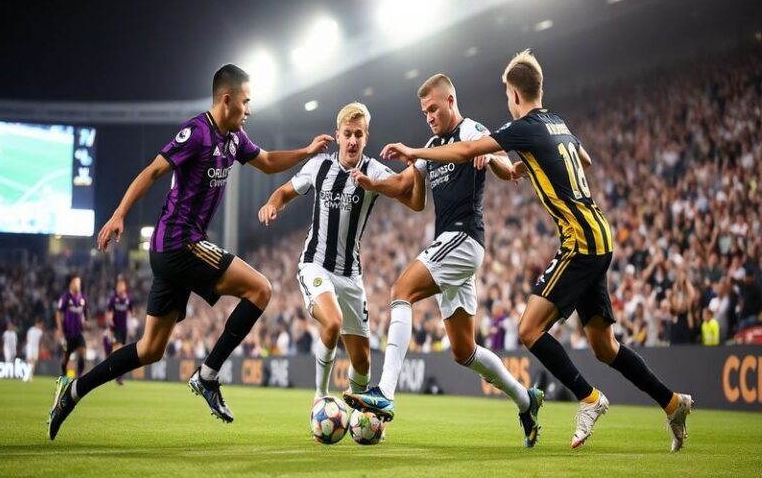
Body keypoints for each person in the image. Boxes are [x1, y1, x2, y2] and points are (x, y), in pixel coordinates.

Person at [377, 50, 693, 452]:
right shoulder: (557, 123)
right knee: (603, 345)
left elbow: (463, 151)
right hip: (600, 234)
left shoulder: (522, 127)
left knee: (529, 329)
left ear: (513, 93)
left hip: (578, 241)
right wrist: (526, 162)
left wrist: (416, 151)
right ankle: (672, 403)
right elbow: (585, 158)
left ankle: (590, 399)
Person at [48, 63, 333, 440]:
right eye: (246, 102)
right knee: (261, 289)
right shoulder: (196, 133)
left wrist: (307, 151)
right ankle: (208, 374)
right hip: (179, 244)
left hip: (177, 251)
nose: (249, 110)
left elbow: (266, 163)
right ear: (226, 99)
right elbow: (152, 172)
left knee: (150, 349)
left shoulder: (234, 139)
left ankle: (74, 391)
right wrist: (119, 214)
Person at [343, 74, 544, 448]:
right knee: (463, 351)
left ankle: (385, 391)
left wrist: (499, 162)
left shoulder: (471, 130)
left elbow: (500, 160)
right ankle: (525, 399)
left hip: (465, 237)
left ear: (450, 100)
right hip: (450, 245)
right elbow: (405, 186)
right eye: (424, 112)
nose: (429, 117)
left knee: (401, 289)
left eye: (433, 109)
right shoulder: (433, 145)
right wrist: (374, 185)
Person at [258, 102, 424, 404]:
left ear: (366, 137)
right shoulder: (319, 165)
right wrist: (272, 205)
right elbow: (283, 192)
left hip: (351, 275)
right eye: (347, 133)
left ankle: (360, 414)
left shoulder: (374, 171)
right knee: (331, 322)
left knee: (362, 363)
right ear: (338, 135)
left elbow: (413, 201)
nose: (352, 140)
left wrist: (417, 165)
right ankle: (320, 399)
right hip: (315, 264)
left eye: (358, 134)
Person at [56, 274, 87, 378]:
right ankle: (63, 372)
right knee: (66, 356)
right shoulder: (65, 297)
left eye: (79, 283)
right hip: (67, 333)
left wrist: (86, 321)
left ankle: (79, 376)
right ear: (70, 284)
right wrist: (60, 329)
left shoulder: (82, 298)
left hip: (79, 332)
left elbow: (85, 313)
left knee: (82, 351)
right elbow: (58, 313)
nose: (78, 285)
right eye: (75, 283)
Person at [105, 275, 134, 385]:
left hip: (124, 330)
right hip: (115, 329)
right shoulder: (113, 299)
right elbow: (108, 313)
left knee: (120, 353)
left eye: (122, 285)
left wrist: (131, 324)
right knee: (117, 351)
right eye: (118, 285)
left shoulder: (128, 299)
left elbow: (132, 312)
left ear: (125, 286)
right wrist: (110, 323)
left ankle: (114, 372)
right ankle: (116, 375)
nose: (120, 287)